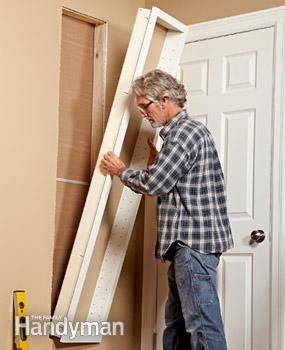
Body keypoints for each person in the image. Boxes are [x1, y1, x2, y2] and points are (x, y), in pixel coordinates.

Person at [101, 69, 234, 350]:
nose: (143, 114)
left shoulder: (183, 134)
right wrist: (161, 160)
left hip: (193, 245)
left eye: (144, 106)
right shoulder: (184, 134)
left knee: (202, 326)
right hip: (188, 245)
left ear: (164, 100)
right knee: (177, 325)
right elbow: (179, 179)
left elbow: (157, 183)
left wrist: (121, 171)